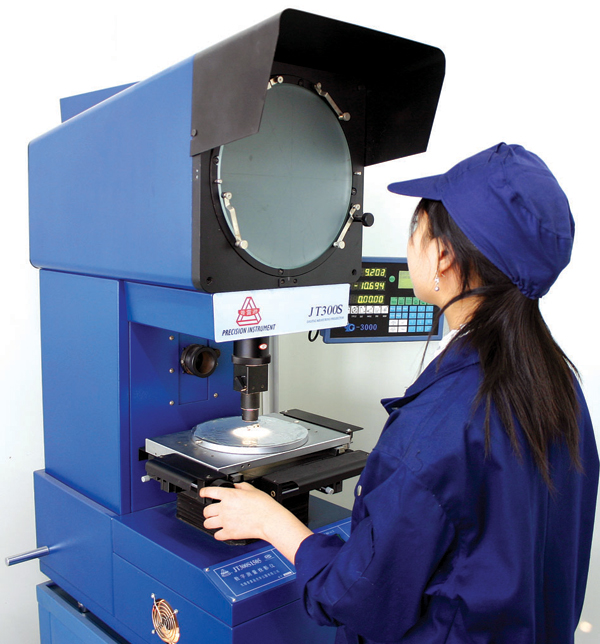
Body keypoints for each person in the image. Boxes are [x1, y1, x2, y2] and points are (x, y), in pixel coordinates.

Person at [200, 143, 599, 643]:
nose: (410, 243)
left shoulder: (439, 423)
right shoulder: (559, 386)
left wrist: (270, 521)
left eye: (416, 229)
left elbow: (356, 597)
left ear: (444, 256)